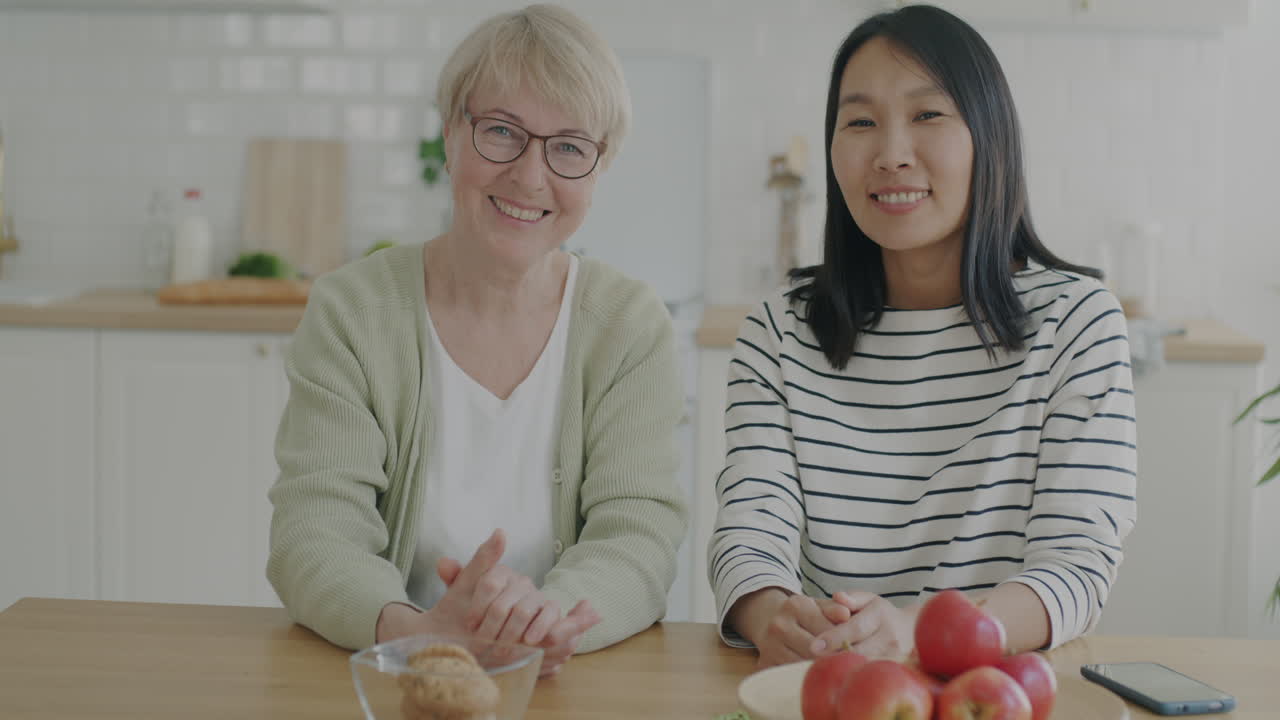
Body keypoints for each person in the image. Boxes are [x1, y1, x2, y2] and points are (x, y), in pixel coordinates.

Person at [708, 4, 1137, 669]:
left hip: (994, 695)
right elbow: (748, 536)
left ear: (988, 137)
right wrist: (775, 617)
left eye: (927, 115)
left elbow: (1077, 566)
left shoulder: (1077, 323)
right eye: (859, 122)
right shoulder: (779, 330)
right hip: (830, 688)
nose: (891, 155)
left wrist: (917, 632)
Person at [267, 4, 687, 675]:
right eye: (501, 131)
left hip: (565, 685)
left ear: (600, 169)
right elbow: (313, 535)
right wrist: (421, 634)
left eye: (569, 147)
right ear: (450, 132)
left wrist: (541, 625)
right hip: (392, 676)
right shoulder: (352, 311)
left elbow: (638, 536)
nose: (528, 175)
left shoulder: (629, 325)